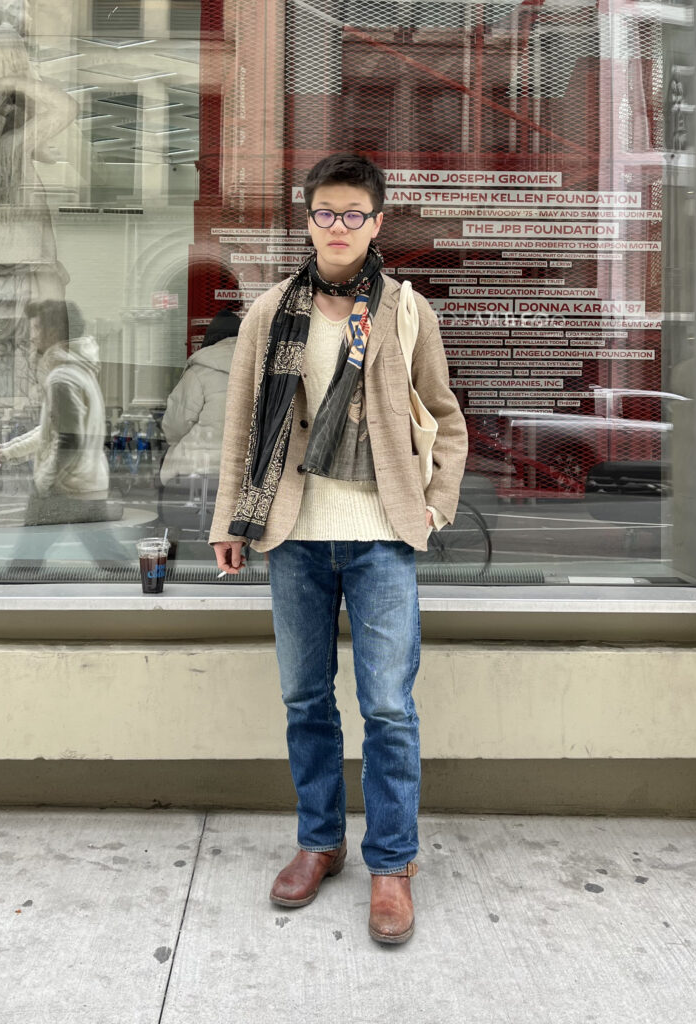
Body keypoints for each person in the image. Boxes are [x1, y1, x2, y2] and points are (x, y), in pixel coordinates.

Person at [210, 154, 468, 944]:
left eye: (354, 213)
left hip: (383, 538)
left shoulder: (404, 312)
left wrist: (433, 507)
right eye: (326, 212)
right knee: (304, 700)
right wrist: (231, 520)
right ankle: (319, 843)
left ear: (378, 222)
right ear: (309, 218)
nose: (339, 226)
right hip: (292, 536)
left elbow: (447, 419)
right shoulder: (267, 314)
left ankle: (391, 863)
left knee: (389, 706)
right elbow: (242, 432)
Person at [0, 299, 125, 567]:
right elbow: (53, 430)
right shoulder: (77, 371)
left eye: (36, 327)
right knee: (109, 558)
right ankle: (138, 592)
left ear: (53, 330)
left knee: (25, 561)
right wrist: (10, 451)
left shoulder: (62, 378)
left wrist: (45, 483)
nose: (32, 335)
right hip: (84, 483)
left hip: (64, 487)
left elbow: (69, 440)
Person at [157, 309, 240, 537]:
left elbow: (173, 427)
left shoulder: (200, 371)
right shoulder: (260, 369)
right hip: (242, 476)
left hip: (197, 474)